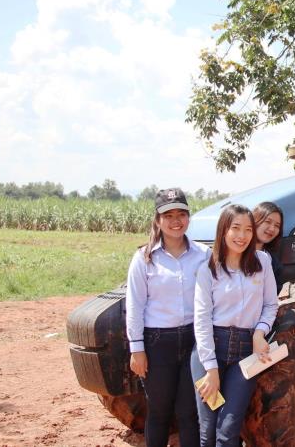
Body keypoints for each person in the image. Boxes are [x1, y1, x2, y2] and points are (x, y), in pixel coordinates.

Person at [125, 188, 209, 447]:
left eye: (181, 214)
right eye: (168, 215)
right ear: (158, 220)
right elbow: (135, 305)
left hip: (194, 341)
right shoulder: (144, 258)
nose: (176, 221)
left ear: (188, 217)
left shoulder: (203, 255)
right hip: (158, 343)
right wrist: (137, 349)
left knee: (189, 412)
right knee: (159, 411)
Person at [191, 204, 278, 446]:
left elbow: (271, 305)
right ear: (224, 230)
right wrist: (211, 370)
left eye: (248, 229)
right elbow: (202, 320)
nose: (242, 236)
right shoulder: (208, 269)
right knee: (208, 429)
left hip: (245, 353)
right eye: (236, 228)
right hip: (210, 352)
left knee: (228, 428)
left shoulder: (262, 262)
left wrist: (259, 333)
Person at [253, 201, 285, 291]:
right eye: (268, 222)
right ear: (255, 221)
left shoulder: (274, 264)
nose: (272, 229)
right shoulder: (235, 255)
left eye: (277, 226)